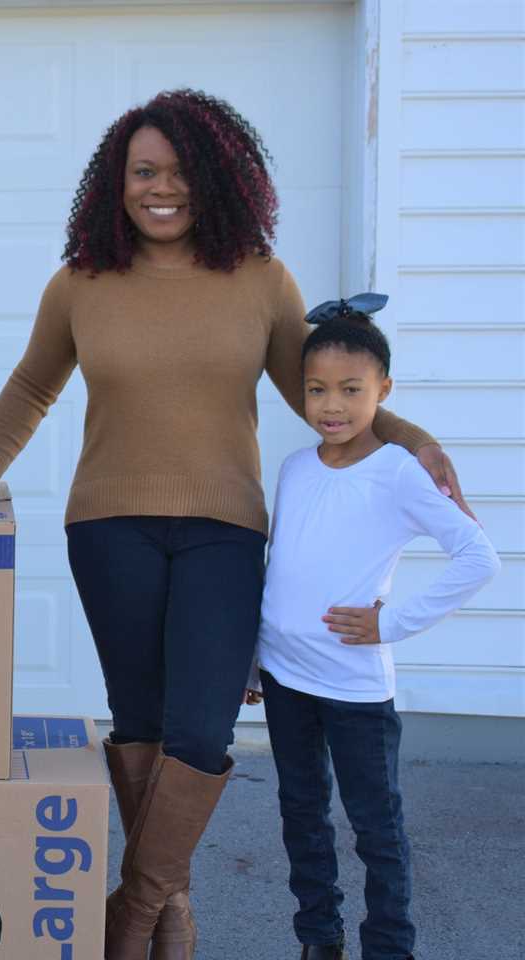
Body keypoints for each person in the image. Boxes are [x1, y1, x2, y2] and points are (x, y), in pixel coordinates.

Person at [0, 89, 467, 960]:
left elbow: (324, 393)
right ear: (117, 183)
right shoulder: (80, 281)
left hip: (225, 530)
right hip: (108, 526)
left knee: (203, 728)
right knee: (141, 716)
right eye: (143, 172)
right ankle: (175, 913)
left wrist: (409, 437)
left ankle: (135, 908)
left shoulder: (261, 279)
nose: (161, 190)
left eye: (180, 173)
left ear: (219, 178)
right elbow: (34, 385)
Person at [243, 300, 498, 960]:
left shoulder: (399, 473)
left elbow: (478, 558)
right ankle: (318, 939)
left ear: (383, 391)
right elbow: (283, 568)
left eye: (351, 390)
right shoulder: (296, 469)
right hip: (286, 679)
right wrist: (253, 654)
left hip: (355, 691)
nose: (332, 405)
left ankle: (389, 946)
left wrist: (392, 622)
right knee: (301, 816)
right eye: (317, 389)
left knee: (375, 828)